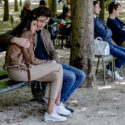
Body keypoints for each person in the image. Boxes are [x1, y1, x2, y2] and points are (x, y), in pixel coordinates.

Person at [0, 7, 86, 113]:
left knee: (81, 75)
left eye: (45, 22)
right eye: (40, 21)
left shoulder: (46, 33)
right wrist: (16, 39)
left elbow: (52, 51)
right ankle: (56, 105)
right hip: (36, 65)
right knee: (70, 77)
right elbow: (2, 37)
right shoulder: (27, 30)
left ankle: (59, 104)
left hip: (49, 62)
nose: (41, 25)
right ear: (35, 17)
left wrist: (54, 60)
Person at [4, 16, 71, 122]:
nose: (36, 27)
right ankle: (54, 107)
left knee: (56, 75)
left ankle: (52, 110)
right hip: (18, 71)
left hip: (18, 70)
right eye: (34, 24)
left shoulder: (23, 33)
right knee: (58, 66)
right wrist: (45, 62)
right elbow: (31, 60)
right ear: (27, 25)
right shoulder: (27, 34)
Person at [93, 0, 125, 80]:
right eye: (98, 7)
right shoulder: (93, 21)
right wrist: (107, 32)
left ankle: (109, 68)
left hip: (108, 43)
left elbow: (109, 31)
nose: (100, 9)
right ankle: (113, 70)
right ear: (92, 8)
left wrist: (107, 32)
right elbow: (105, 33)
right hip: (103, 45)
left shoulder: (98, 19)